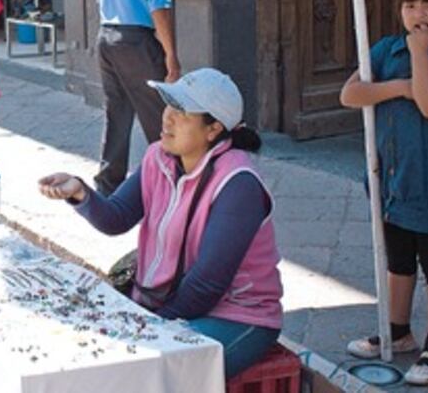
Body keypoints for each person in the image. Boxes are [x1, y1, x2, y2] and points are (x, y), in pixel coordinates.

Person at [39, 68, 283, 378]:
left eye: (181, 111)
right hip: (170, 302)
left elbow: (207, 284)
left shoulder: (238, 185)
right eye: (169, 103)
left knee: (147, 372)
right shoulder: (159, 157)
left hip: (239, 316)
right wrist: (79, 192)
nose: (167, 117)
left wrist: (149, 325)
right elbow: (116, 217)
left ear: (213, 129)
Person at [339, 0, 428, 386]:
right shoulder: (384, 50)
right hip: (390, 177)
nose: (420, 13)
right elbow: (351, 93)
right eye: (411, 5)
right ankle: (398, 332)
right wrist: (399, 87)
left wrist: (420, 54)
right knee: (398, 259)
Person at [94, 0, 182, 196]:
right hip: (135, 41)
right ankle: (173, 181)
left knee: (117, 113)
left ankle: (107, 187)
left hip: (106, 38)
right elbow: (159, 6)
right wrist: (171, 55)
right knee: (161, 114)